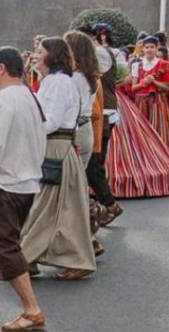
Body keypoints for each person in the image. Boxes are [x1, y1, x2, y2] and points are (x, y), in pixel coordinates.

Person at [0, 47, 47, 332]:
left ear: (1, 68)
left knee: (4, 248)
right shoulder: (28, 96)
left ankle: (32, 309)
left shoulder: (4, 101)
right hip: (24, 182)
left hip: (3, 185)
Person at [19, 37, 95, 281]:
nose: (35, 55)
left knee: (45, 207)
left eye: (39, 51)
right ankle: (32, 258)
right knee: (61, 208)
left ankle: (26, 258)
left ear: (52, 55)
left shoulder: (57, 82)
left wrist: (24, 129)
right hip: (56, 148)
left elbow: (51, 121)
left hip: (55, 149)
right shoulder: (55, 81)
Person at [64, 31, 104, 256]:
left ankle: (87, 237)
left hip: (76, 130)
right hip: (85, 128)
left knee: (72, 189)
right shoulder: (89, 76)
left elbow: (72, 108)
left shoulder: (75, 78)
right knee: (76, 186)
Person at [86, 23, 124, 229]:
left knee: (94, 165)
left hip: (102, 114)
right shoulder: (99, 53)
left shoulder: (99, 54)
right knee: (93, 165)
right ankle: (101, 206)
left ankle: (109, 206)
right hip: (102, 113)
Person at [131, 36, 169, 156]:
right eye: (147, 47)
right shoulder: (137, 65)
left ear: (157, 49)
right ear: (143, 49)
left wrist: (154, 82)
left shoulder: (164, 65)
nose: (149, 50)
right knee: (142, 131)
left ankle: (161, 157)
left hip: (158, 101)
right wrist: (143, 83)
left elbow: (168, 88)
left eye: (152, 47)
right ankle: (144, 157)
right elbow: (133, 88)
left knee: (159, 130)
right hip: (141, 101)